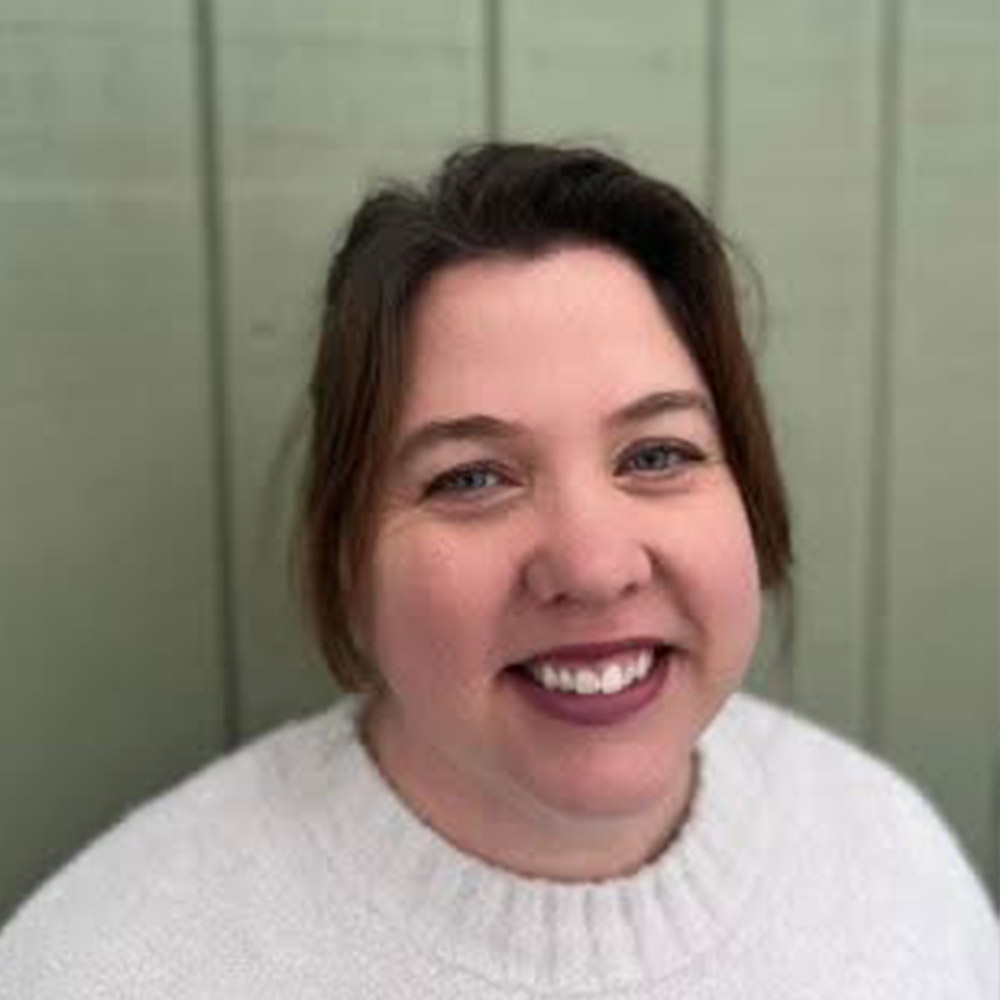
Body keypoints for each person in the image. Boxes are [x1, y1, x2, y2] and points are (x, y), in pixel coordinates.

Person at [0, 143, 996, 997]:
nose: (594, 566)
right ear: (348, 553)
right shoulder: (114, 962)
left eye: (656, 454)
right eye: (472, 476)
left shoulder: (889, 861)